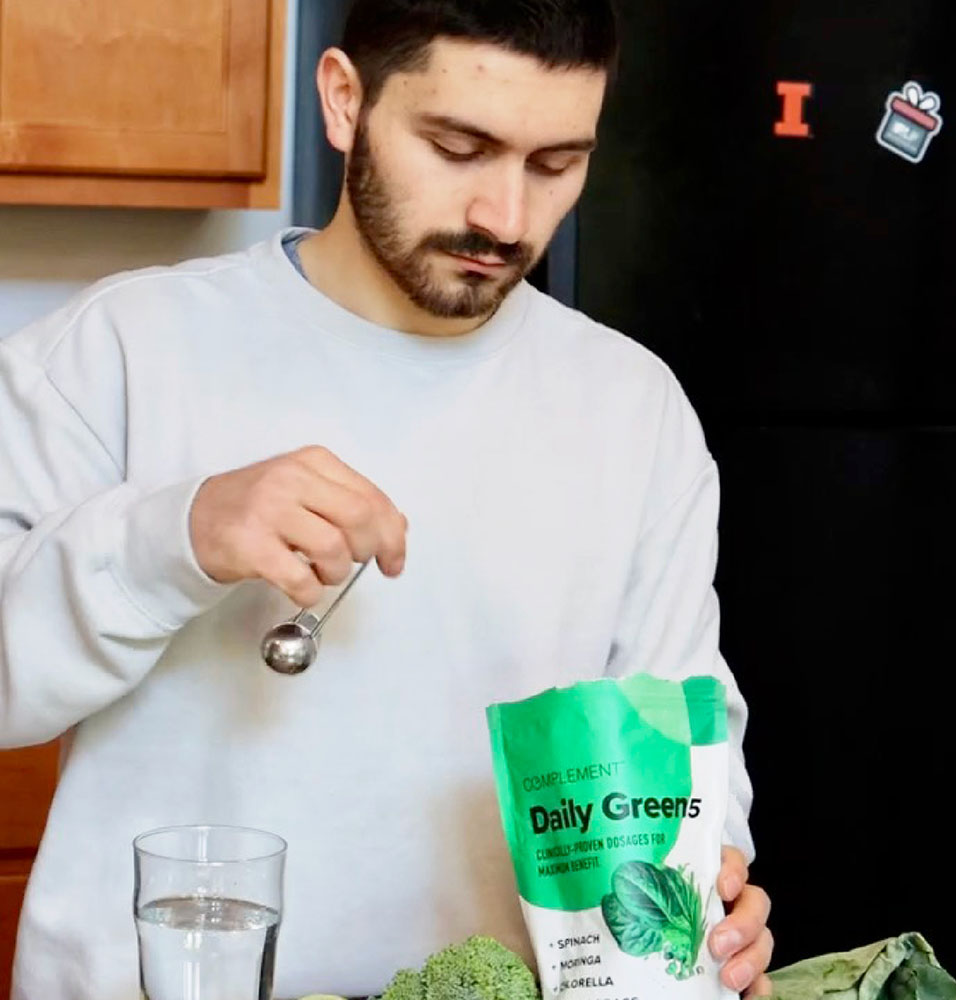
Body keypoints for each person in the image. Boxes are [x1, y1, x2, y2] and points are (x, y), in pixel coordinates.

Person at [0, 1, 773, 997]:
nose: (506, 217)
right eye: (459, 146)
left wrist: (709, 883)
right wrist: (176, 536)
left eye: (554, 164)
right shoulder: (121, 350)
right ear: (343, 101)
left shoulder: (630, 410)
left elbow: (678, 729)